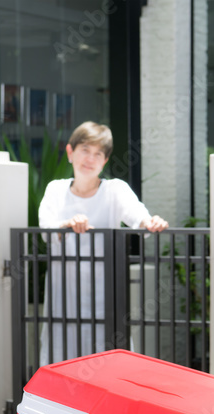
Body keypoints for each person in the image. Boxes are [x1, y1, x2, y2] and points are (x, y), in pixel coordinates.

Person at [38, 121, 168, 365]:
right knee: (62, 361)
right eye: (85, 150)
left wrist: (151, 222)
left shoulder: (115, 190)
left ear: (105, 161)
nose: (90, 158)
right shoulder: (55, 190)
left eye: (98, 153)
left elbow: (138, 216)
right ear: (70, 152)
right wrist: (68, 223)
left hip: (104, 299)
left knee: (106, 364)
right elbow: (47, 229)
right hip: (63, 298)